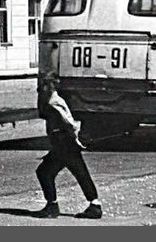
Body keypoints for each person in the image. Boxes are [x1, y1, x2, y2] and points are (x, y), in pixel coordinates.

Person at [34, 72, 103, 219]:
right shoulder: (51, 99)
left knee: (44, 172)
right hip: (65, 142)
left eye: (44, 85)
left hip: (63, 142)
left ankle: (52, 207)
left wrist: (73, 135)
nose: (41, 88)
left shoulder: (53, 101)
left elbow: (68, 120)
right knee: (80, 172)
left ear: (50, 86)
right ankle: (94, 205)